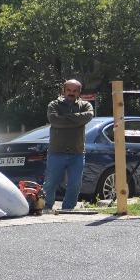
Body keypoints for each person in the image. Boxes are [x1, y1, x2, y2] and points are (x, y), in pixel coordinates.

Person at [43, 79, 95, 210]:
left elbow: (88, 116)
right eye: (69, 90)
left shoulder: (86, 105)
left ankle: (68, 209)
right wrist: (77, 121)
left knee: (75, 183)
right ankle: (46, 206)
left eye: (75, 90)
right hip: (56, 151)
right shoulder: (53, 105)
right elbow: (55, 121)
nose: (71, 93)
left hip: (77, 152)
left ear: (79, 92)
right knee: (51, 182)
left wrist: (65, 117)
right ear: (63, 91)